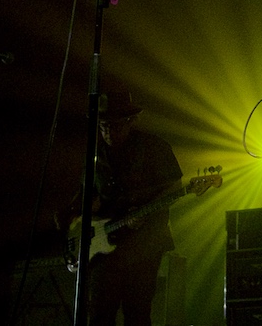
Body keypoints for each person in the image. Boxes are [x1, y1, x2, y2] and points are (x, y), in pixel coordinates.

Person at [55, 91, 183, 326]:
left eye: (114, 126)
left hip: (144, 246)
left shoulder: (153, 147)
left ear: (130, 121)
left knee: (137, 313)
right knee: (100, 316)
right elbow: (86, 196)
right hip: (105, 250)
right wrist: (74, 220)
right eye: (103, 126)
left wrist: (147, 212)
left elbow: (174, 188)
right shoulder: (95, 156)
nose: (107, 133)